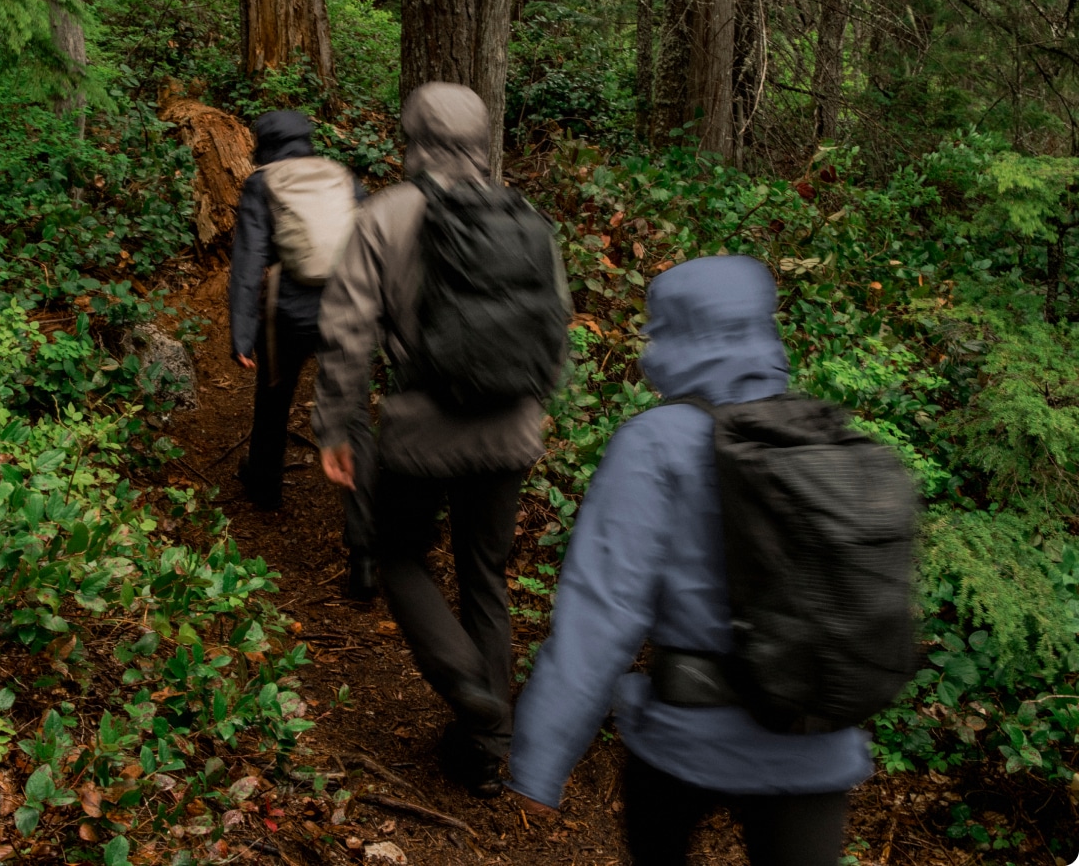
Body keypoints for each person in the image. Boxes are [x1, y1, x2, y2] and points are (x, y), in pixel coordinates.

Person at [506, 256, 872, 865]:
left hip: (692, 739)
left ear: (678, 334)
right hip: (819, 746)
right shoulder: (825, 435)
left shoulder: (656, 441)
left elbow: (603, 615)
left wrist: (539, 760)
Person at [312, 82, 568, 798]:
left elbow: (346, 328)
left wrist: (336, 423)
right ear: (482, 140)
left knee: (398, 554)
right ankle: (486, 748)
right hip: (511, 429)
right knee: (484, 577)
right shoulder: (526, 218)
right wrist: (536, 408)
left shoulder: (387, 214)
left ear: (414, 138)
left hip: (423, 427)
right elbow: (556, 321)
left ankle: (466, 687)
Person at [229, 110, 377, 600]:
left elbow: (249, 263)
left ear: (262, 145)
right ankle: (365, 555)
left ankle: (265, 485)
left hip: (289, 312)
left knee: (274, 393)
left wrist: (242, 333)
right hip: (348, 309)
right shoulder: (339, 175)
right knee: (353, 418)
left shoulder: (262, 183)